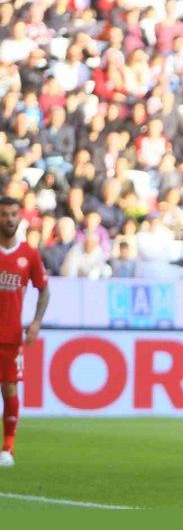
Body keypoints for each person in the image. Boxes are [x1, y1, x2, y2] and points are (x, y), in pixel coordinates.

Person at [0, 197, 50, 467]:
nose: (9, 219)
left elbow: (43, 288)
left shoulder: (28, 254)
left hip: (9, 336)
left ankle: (7, 448)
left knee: (9, 389)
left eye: (12, 214)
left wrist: (36, 322)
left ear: (19, 218)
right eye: (4, 214)